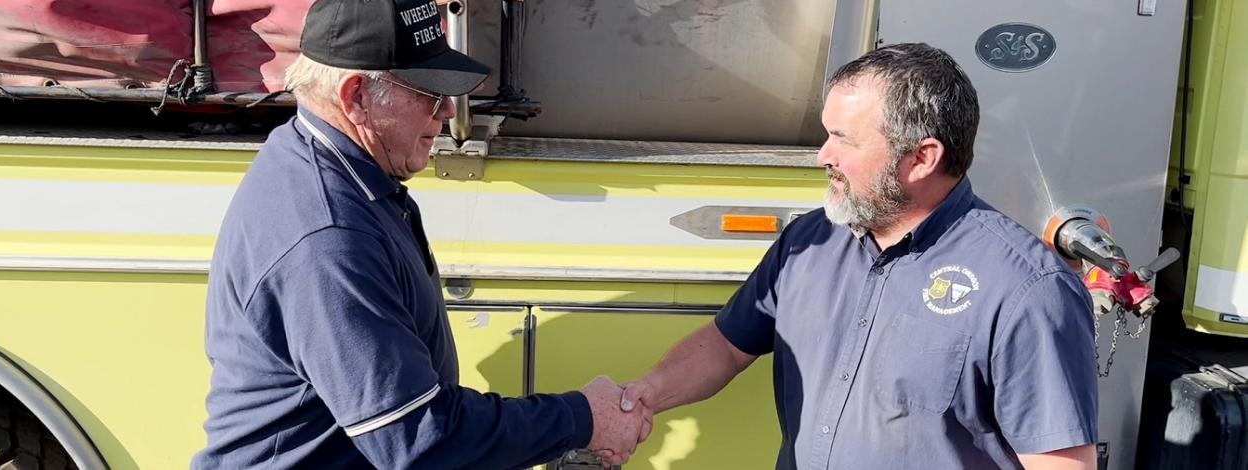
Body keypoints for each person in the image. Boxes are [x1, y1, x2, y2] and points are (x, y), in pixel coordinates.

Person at [192, 0, 643, 467]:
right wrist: (580, 418)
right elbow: (418, 440)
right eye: (429, 92)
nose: (447, 110)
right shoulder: (327, 238)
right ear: (355, 97)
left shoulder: (326, 165)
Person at [616, 43, 1099, 470]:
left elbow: (1061, 465)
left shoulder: (1026, 289)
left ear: (922, 158)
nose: (822, 155)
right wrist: (645, 396)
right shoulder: (808, 242)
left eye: (843, 140)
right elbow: (725, 347)